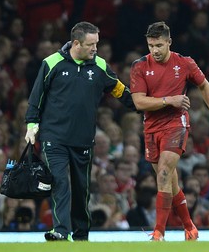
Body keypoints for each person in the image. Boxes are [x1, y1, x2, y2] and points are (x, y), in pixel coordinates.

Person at [24, 21, 135, 242]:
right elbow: (37, 96)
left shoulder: (101, 66)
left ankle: (82, 234)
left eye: (97, 43)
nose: (96, 49)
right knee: (59, 181)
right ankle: (61, 231)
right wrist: (31, 125)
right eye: (91, 44)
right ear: (76, 43)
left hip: (83, 140)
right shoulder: (51, 63)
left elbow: (121, 92)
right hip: (53, 137)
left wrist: (147, 106)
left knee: (81, 188)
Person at [130, 21, 209, 241]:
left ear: (169, 42)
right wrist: (168, 100)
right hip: (151, 127)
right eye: (151, 45)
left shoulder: (185, 63)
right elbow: (139, 103)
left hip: (176, 124)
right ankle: (190, 228)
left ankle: (158, 233)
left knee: (163, 173)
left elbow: (204, 85)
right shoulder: (139, 66)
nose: (155, 50)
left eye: (160, 45)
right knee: (169, 182)